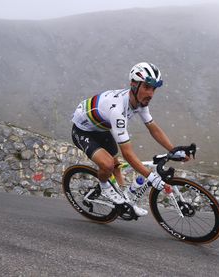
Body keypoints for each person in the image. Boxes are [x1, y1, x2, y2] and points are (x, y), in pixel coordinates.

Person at [71, 62, 189, 217]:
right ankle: (105, 187)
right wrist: (151, 177)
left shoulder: (139, 102)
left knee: (116, 166)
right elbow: (128, 153)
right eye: (147, 87)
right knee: (108, 164)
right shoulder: (118, 110)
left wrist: (173, 150)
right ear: (134, 85)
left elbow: (153, 128)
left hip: (102, 128)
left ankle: (125, 200)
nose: (151, 94)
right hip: (83, 130)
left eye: (153, 89)